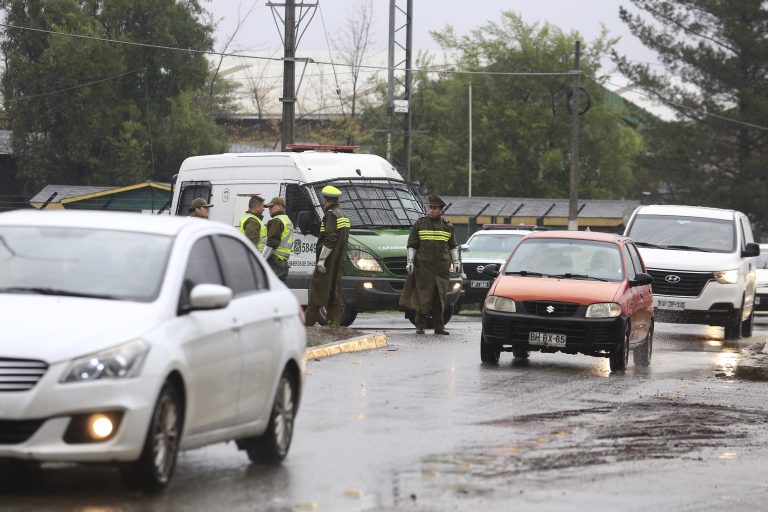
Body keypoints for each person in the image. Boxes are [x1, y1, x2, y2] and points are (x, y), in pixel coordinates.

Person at [400, 194, 459, 335]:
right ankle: (420, 326)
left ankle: (439, 327)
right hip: (423, 268)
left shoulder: (447, 226)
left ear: (441, 210)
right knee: (423, 296)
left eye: (435, 208)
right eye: (430, 208)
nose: (431, 210)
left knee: (440, 298)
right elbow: (412, 245)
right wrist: (410, 261)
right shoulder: (420, 224)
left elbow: (453, 246)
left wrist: (456, 262)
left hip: (441, 268)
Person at [305, 185, 350, 327]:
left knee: (317, 294)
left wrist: (322, 260)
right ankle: (333, 325)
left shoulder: (331, 215)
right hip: (338, 261)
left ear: (325, 200)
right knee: (334, 295)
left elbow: (330, 239)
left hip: (327, 262)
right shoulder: (342, 215)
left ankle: (306, 327)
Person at [263, 196, 295, 282]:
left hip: (275, 261)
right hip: (282, 262)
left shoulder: (277, 221)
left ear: (280, 207)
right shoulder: (287, 220)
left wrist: (262, 259)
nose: (269, 209)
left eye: (271, 207)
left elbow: (272, 242)